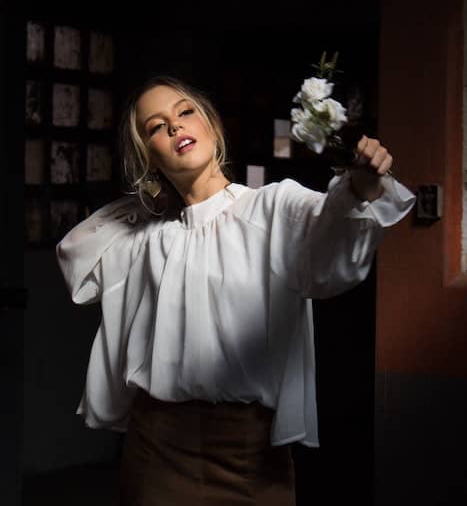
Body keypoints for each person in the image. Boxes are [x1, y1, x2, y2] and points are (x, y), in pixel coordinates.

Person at [56, 75, 415, 506]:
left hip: (249, 456)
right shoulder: (147, 238)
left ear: (211, 125)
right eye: (155, 127)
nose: (174, 127)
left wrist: (362, 186)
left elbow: (332, 242)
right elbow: (76, 257)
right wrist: (151, 198)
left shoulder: (271, 207)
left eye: (185, 112)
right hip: (156, 451)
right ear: (148, 155)